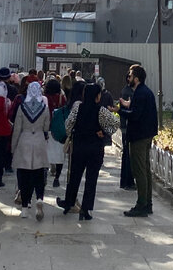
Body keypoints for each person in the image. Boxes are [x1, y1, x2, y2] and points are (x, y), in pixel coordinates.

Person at [57, 82, 119, 221]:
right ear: (98, 96)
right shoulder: (101, 110)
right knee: (91, 179)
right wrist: (104, 132)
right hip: (95, 148)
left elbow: (68, 124)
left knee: (74, 176)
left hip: (79, 146)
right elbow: (115, 124)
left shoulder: (78, 108)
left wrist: (72, 133)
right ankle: (86, 209)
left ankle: (69, 202)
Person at [120, 64, 158, 217]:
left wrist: (120, 111)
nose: (128, 78)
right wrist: (128, 105)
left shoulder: (141, 93)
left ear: (136, 78)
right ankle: (147, 203)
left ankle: (141, 204)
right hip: (146, 134)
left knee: (139, 170)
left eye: (129, 76)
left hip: (139, 136)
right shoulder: (143, 92)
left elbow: (135, 115)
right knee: (145, 169)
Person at [10, 79, 50, 220]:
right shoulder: (45, 108)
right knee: (39, 174)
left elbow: (17, 129)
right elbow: (46, 128)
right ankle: (39, 197)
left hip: (24, 141)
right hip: (39, 141)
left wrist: (13, 147)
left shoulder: (22, 107)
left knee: (24, 176)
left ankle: (25, 208)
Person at [44, 78, 66, 187]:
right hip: (58, 129)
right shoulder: (61, 97)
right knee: (59, 154)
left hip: (47, 127)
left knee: (46, 153)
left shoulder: (45, 98)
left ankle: (44, 173)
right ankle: (57, 177)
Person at [117, 65, 137, 190]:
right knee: (128, 156)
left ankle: (127, 181)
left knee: (128, 155)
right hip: (127, 127)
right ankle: (127, 181)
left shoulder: (130, 91)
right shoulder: (127, 92)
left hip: (128, 125)